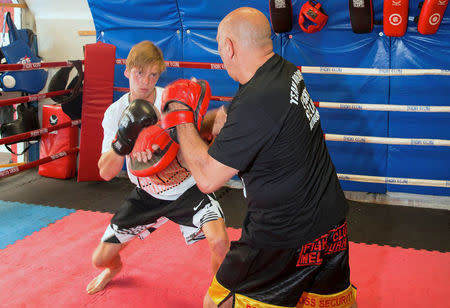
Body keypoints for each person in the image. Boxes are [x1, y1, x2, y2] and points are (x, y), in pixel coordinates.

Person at [165, 7, 358, 308]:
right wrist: (204, 125)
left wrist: (180, 119)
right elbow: (240, 118)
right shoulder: (285, 70)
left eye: (219, 45)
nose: (220, 52)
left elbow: (206, 178)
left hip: (281, 236)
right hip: (330, 225)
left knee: (218, 301)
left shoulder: (257, 101)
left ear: (228, 46)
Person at [86, 40, 230, 295]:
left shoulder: (171, 101)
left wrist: (209, 122)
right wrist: (124, 142)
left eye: (153, 74)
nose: (146, 81)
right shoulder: (114, 113)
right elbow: (106, 173)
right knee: (100, 259)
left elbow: (197, 144)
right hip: (147, 194)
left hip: (186, 187)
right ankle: (114, 269)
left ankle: (219, 294)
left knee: (219, 241)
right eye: (140, 73)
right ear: (127, 71)